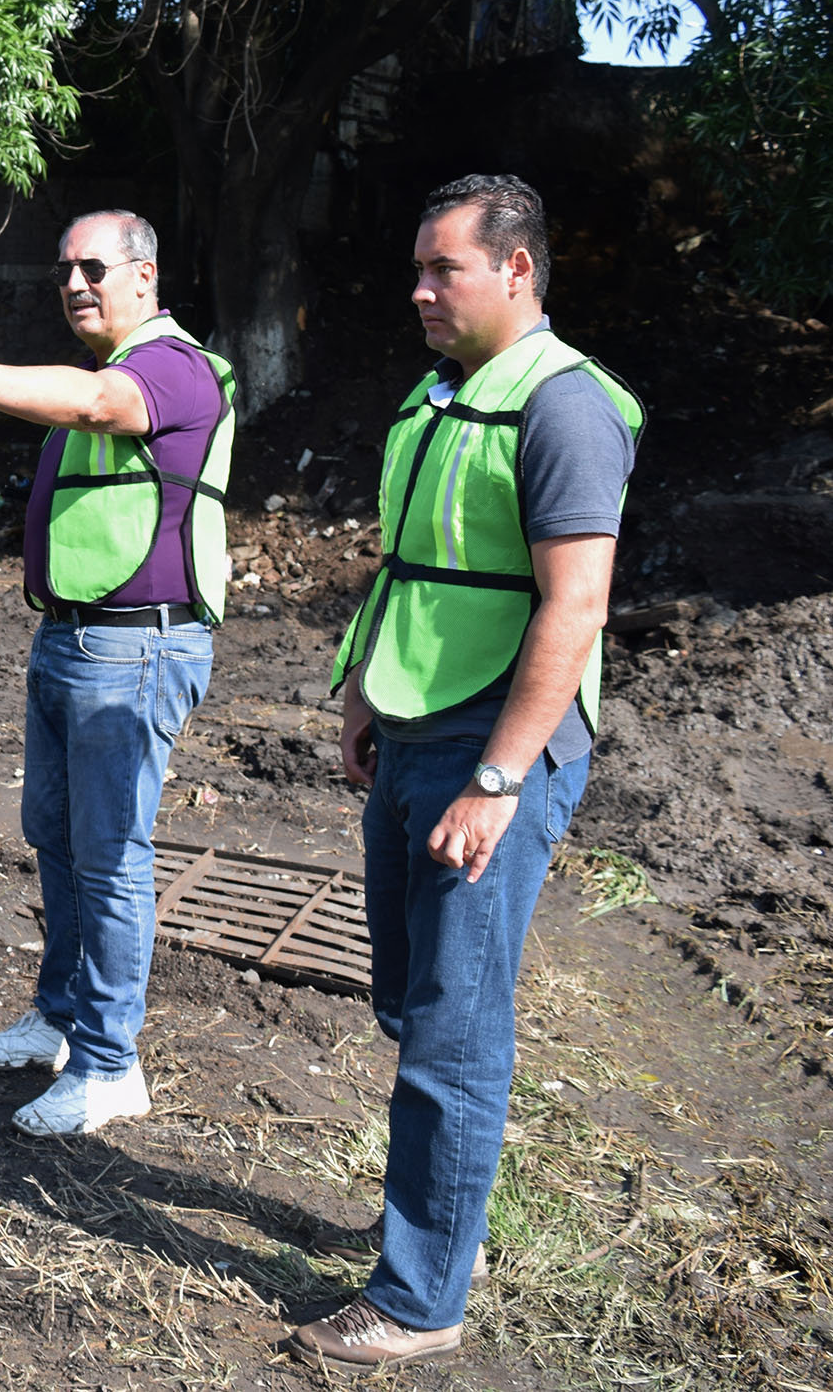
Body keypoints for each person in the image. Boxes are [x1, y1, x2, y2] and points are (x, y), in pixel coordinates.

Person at [289, 175, 640, 1371]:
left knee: (451, 1026)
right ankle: (446, 1216)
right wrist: (359, 690)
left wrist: (497, 781)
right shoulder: (438, 393)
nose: (420, 289)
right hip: (412, 723)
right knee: (405, 991)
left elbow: (574, 605)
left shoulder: (565, 407)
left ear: (518, 270)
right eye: (418, 268)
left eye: (445, 269)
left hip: (493, 746)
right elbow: (403, 564)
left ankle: (420, 1294)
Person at [0, 209, 235, 1136]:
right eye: (64, 272)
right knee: (60, 839)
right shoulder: (97, 373)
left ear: (145, 278)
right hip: (72, 641)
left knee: (113, 856)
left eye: (94, 268)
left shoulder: (168, 367)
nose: (75, 284)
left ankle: (112, 1065)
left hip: (136, 649)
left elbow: (96, 407)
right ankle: (61, 1018)